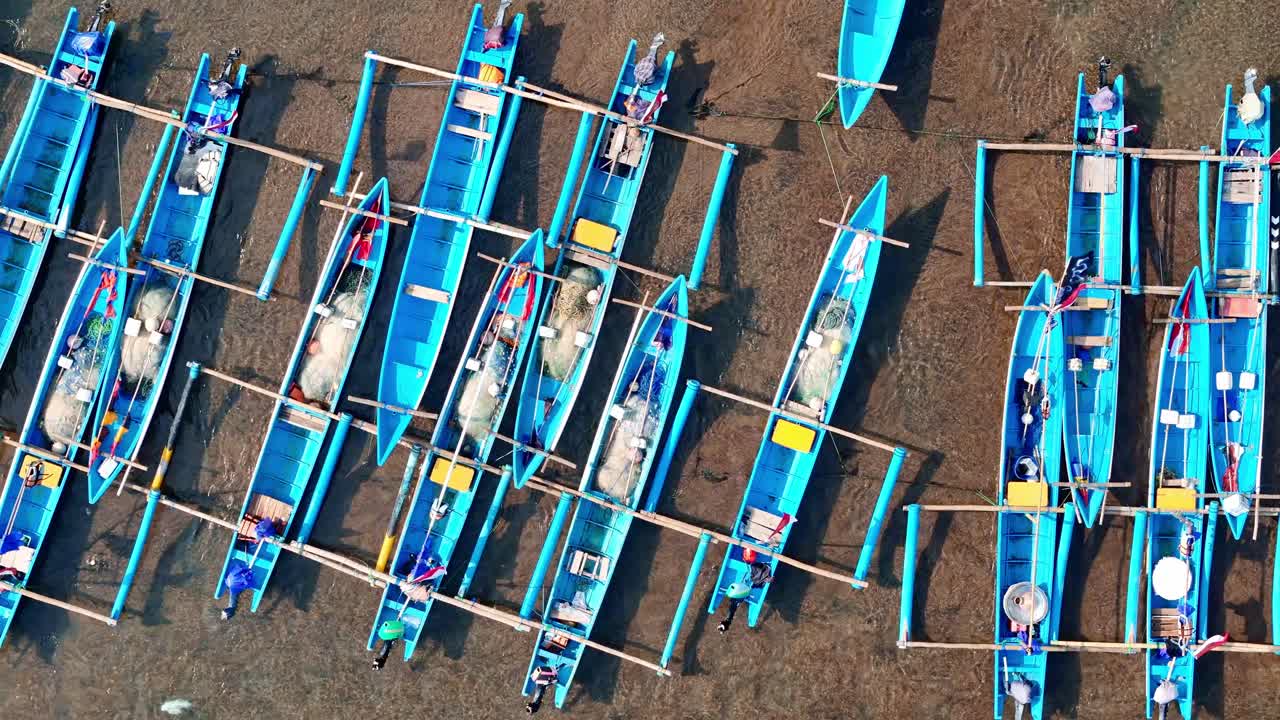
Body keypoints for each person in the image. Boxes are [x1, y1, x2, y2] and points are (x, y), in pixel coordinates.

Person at [717, 548, 773, 633]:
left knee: (734, 603)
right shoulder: (754, 569)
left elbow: (733, 608)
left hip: (744, 587)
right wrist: (727, 621)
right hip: (745, 587)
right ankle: (727, 622)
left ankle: (727, 622)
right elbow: (733, 608)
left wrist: (728, 621)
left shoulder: (753, 569)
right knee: (734, 603)